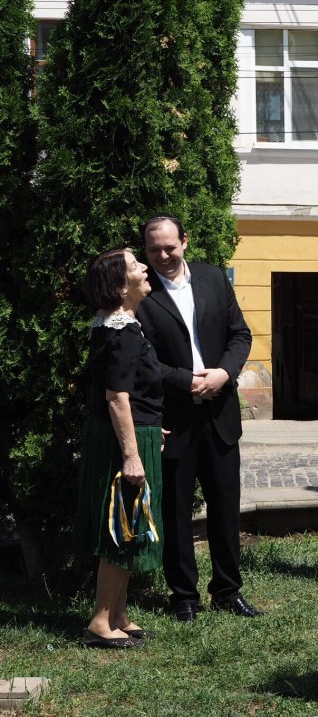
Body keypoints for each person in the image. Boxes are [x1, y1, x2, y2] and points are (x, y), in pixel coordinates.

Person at [136, 216, 258, 621]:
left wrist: (224, 373)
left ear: (185, 242)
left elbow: (240, 334)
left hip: (220, 412)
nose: (163, 255)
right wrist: (187, 381)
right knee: (175, 511)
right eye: (154, 250)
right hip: (175, 416)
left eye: (170, 246)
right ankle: (183, 596)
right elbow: (144, 360)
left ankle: (228, 590)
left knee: (226, 507)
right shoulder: (140, 292)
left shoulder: (213, 279)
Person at [76, 248, 164, 649]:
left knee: (131, 525)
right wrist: (132, 453)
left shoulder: (118, 325)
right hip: (122, 443)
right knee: (122, 529)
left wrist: (150, 431)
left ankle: (118, 613)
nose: (145, 267)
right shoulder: (122, 331)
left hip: (131, 434)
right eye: (134, 266)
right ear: (119, 284)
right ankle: (100, 622)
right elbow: (117, 398)